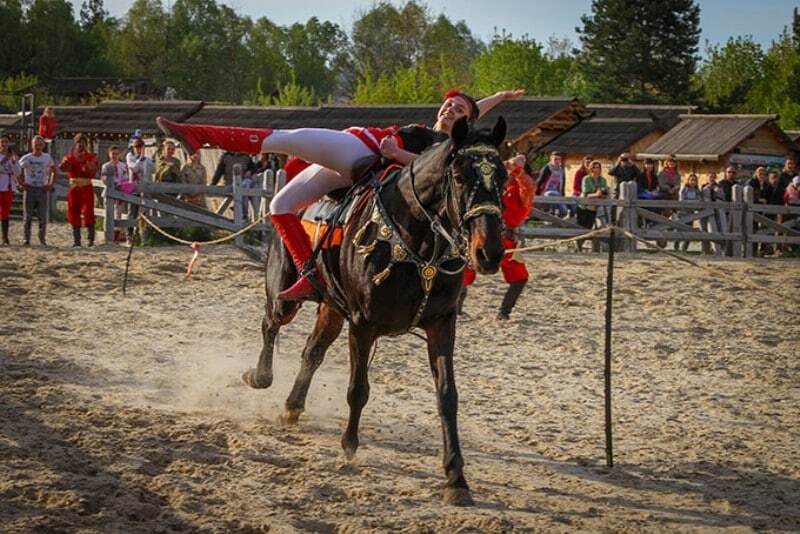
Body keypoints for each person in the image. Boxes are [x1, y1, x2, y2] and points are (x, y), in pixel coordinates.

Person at [157, 87, 525, 301]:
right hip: (359, 156)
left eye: (458, 110)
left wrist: (397, 155)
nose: (450, 109)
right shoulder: (426, 131)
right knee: (280, 204)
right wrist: (501, 97)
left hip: (361, 156)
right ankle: (308, 274)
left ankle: (200, 134)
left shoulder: (449, 152)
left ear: (467, 121)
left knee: (289, 140)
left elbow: (434, 166)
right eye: (448, 105)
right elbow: (470, 109)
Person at [461, 154, 534, 320]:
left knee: (520, 277)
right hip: (481, 234)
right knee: (464, 272)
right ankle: (456, 309)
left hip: (506, 239)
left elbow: (528, 186)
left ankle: (504, 312)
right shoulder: (496, 187)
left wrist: (517, 169)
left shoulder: (522, 192)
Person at [60, 133, 99, 247]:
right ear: (75, 144)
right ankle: (77, 240)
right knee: (73, 210)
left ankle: (90, 239)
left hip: (86, 185)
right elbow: (63, 168)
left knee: (88, 211)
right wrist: (65, 165)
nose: (81, 145)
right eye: (79, 143)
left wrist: (89, 165)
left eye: (83, 143)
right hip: (74, 186)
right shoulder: (69, 157)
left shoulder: (90, 157)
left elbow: (93, 171)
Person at [18, 135, 56, 246]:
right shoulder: (27, 158)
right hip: (29, 187)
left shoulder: (47, 157)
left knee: (42, 216)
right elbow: (17, 169)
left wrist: (51, 183)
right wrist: (20, 183)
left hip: (42, 188)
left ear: (43, 146)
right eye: (36, 145)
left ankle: (42, 239)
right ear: (32, 145)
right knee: (28, 216)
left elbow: (54, 170)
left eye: (40, 145)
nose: (38, 147)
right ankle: (26, 239)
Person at [101, 145, 131, 242]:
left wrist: (121, 185)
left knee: (118, 214)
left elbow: (126, 178)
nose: (114, 156)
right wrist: (112, 183)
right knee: (108, 213)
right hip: (109, 191)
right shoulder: (106, 166)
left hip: (119, 192)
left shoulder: (123, 166)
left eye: (116, 154)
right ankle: (107, 235)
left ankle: (116, 237)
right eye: (113, 154)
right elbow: (104, 179)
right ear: (109, 154)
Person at [0, 135, 21, 245]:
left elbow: (18, 172)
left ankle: (5, 237)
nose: (4, 144)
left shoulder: (13, 157)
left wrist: (13, 161)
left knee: (5, 212)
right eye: (2, 142)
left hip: (8, 185)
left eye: (6, 142)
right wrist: (5, 159)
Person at [677, 173, 701, 251]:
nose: (693, 182)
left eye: (694, 180)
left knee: (689, 230)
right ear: (688, 180)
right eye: (691, 180)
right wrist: (692, 202)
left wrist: (693, 203)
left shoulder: (697, 190)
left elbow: (699, 200)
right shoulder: (684, 189)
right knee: (679, 229)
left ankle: (685, 248)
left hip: (691, 213)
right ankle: (676, 245)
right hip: (682, 212)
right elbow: (682, 199)